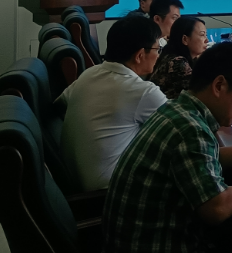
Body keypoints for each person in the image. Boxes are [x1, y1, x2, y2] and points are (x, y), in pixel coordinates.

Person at [101, 42, 232, 253]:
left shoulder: (178, 110)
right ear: (219, 85)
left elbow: (210, 157)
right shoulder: (190, 130)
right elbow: (217, 209)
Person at [56, 17, 167, 192]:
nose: (159, 55)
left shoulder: (89, 74)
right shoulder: (143, 92)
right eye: (157, 49)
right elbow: (183, 128)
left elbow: (58, 105)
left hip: (73, 183)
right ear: (139, 55)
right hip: (108, 194)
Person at [150, 17, 208, 99]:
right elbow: (204, 91)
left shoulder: (172, 56)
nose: (207, 40)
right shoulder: (177, 63)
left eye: (206, 35)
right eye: (202, 35)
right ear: (185, 39)